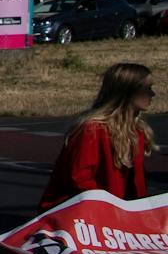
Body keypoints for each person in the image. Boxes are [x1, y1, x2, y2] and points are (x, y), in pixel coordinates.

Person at [40, 62, 156, 210]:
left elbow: (136, 185)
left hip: (119, 213)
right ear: (128, 91)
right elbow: (79, 179)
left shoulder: (136, 131)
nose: (152, 94)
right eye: (147, 89)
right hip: (81, 214)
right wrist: (108, 209)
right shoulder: (92, 130)